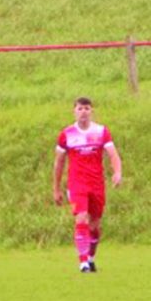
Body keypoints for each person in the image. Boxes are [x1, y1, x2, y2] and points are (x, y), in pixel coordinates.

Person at [53, 97, 122, 273]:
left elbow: (112, 154)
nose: (83, 111)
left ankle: (90, 258)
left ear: (92, 111)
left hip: (96, 184)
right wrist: (56, 189)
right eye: (80, 108)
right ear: (74, 111)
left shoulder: (101, 131)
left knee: (95, 225)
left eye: (86, 108)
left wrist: (117, 172)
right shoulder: (67, 134)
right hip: (77, 184)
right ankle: (83, 262)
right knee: (81, 218)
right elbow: (59, 163)